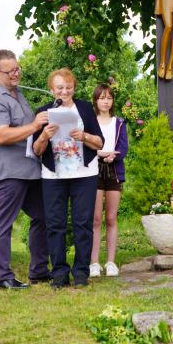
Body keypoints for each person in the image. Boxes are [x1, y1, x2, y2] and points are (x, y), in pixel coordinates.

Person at [0, 49, 50, 289]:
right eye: (10, 72)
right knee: (4, 223)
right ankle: (3, 277)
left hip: (30, 170)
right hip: (9, 172)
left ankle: (38, 271)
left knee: (43, 215)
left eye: (17, 69)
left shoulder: (18, 95)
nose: (16, 74)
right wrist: (34, 124)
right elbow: (1, 135)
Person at [32, 68, 104, 288]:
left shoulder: (84, 109)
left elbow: (99, 143)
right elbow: (36, 150)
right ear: (51, 89)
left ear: (74, 87)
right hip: (54, 175)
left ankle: (81, 273)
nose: (64, 92)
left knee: (83, 223)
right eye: (60, 88)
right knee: (55, 224)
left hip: (84, 173)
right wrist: (44, 135)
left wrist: (83, 136)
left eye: (68, 87)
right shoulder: (43, 113)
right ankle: (60, 273)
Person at [89, 84, 129, 278]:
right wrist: (99, 154)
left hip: (114, 171)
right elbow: (85, 145)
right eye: (102, 97)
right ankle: (94, 262)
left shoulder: (119, 122)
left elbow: (123, 147)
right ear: (96, 100)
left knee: (111, 218)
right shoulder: (90, 121)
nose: (105, 101)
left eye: (109, 98)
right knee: (96, 219)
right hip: (94, 171)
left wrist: (114, 157)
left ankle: (111, 262)